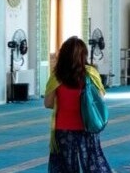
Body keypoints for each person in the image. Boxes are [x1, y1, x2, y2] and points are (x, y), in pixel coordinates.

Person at [44, 35, 113, 173]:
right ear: (84, 55)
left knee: (66, 167)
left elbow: (48, 103)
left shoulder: (56, 76)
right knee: (93, 163)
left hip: (63, 129)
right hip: (88, 126)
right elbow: (99, 99)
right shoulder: (91, 74)